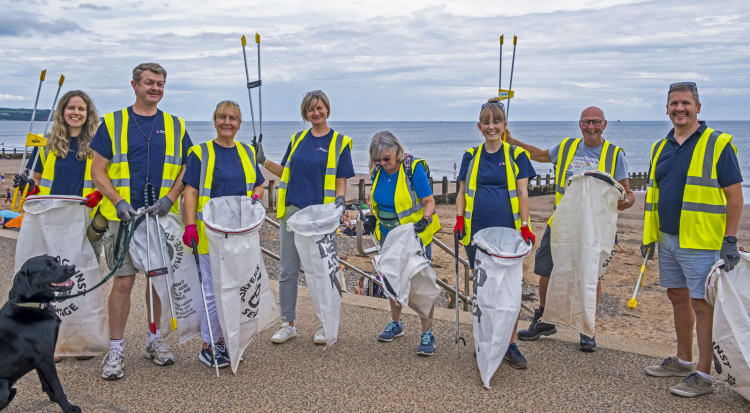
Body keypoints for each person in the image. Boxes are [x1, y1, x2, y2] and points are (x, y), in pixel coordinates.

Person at [90, 63, 193, 380]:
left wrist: (171, 198)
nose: (156, 88)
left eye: (160, 83)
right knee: (122, 282)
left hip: (158, 219)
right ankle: (116, 348)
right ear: (134, 85)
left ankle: (154, 339)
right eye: (150, 83)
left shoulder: (176, 125)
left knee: (157, 282)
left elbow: (188, 167)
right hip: (125, 219)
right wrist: (117, 201)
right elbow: (98, 169)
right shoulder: (112, 122)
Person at [641, 82, 742, 397]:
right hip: (668, 239)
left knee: (702, 305)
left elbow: (735, 197)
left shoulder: (717, 144)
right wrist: (649, 236)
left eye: (685, 102)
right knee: (677, 297)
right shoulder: (661, 146)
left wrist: (730, 239)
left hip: (701, 241)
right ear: (667, 109)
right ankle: (683, 360)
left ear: (698, 107)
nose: (679, 108)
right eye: (674, 103)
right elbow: (656, 195)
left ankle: (703, 372)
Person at [505, 106, 635, 352]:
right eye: (586, 122)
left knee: (591, 275)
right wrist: (511, 141)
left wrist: (627, 201)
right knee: (545, 270)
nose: (591, 127)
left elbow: (628, 192)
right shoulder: (567, 147)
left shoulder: (614, 154)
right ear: (579, 124)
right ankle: (544, 319)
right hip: (561, 224)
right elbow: (540, 155)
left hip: (595, 229)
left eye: (596, 122)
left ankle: (587, 329)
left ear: (604, 125)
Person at [255, 90, 354, 345]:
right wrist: (264, 161)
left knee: (321, 270)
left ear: (327, 109)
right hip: (292, 212)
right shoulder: (298, 139)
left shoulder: (340, 141)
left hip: (320, 217)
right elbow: (285, 172)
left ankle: (325, 324)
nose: (316, 113)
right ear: (305, 113)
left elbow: (341, 179)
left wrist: (341, 201)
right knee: (287, 270)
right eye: (311, 109)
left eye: (319, 108)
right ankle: (288, 323)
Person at [181, 100, 265, 368]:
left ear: (239, 124)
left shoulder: (247, 152)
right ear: (214, 121)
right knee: (211, 290)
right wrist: (190, 225)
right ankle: (210, 343)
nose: (226, 122)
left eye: (232, 118)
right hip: (210, 235)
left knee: (237, 287)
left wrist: (254, 197)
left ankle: (230, 337)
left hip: (240, 235)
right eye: (221, 117)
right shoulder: (200, 152)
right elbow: (190, 192)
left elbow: (259, 185)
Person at [454, 98, 536, 369]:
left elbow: (523, 192)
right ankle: (485, 340)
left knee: (509, 292)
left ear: (504, 125)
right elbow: (462, 193)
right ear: (479, 126)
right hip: (476, 233)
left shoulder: (516, 155)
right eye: (486, 122)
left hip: (510, 235)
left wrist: (525, 225)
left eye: (496, 121)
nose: (491, 126)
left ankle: (510, 344)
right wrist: (458, 220)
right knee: (483, 291)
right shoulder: (471, 155)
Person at [23, 90, 104, 362]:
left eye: (81, 109)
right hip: (51, 221)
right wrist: (27, 188)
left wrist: (100, 196)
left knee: (83, 278)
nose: (76, 113)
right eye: (71, 108)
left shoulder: (97, 145)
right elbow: (35, 182)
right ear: (62, 111)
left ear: (88, 113)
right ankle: (54, 342)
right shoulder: (45, 144)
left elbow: (105, 178)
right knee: (50, 284)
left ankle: (81, 337)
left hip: (84, 219)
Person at [362, 131, 441, 356]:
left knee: (420, 282)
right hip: (388, 236)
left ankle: (427, 332)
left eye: (387, 158)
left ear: (397, 151)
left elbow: (429, 202)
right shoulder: (378, 170)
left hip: (413, 237)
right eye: (378, 160)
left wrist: (424, 221)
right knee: (391, 280)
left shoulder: (412, 169)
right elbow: (379, 201)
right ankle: (396, 323)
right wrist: (372, 218)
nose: (383, 164)